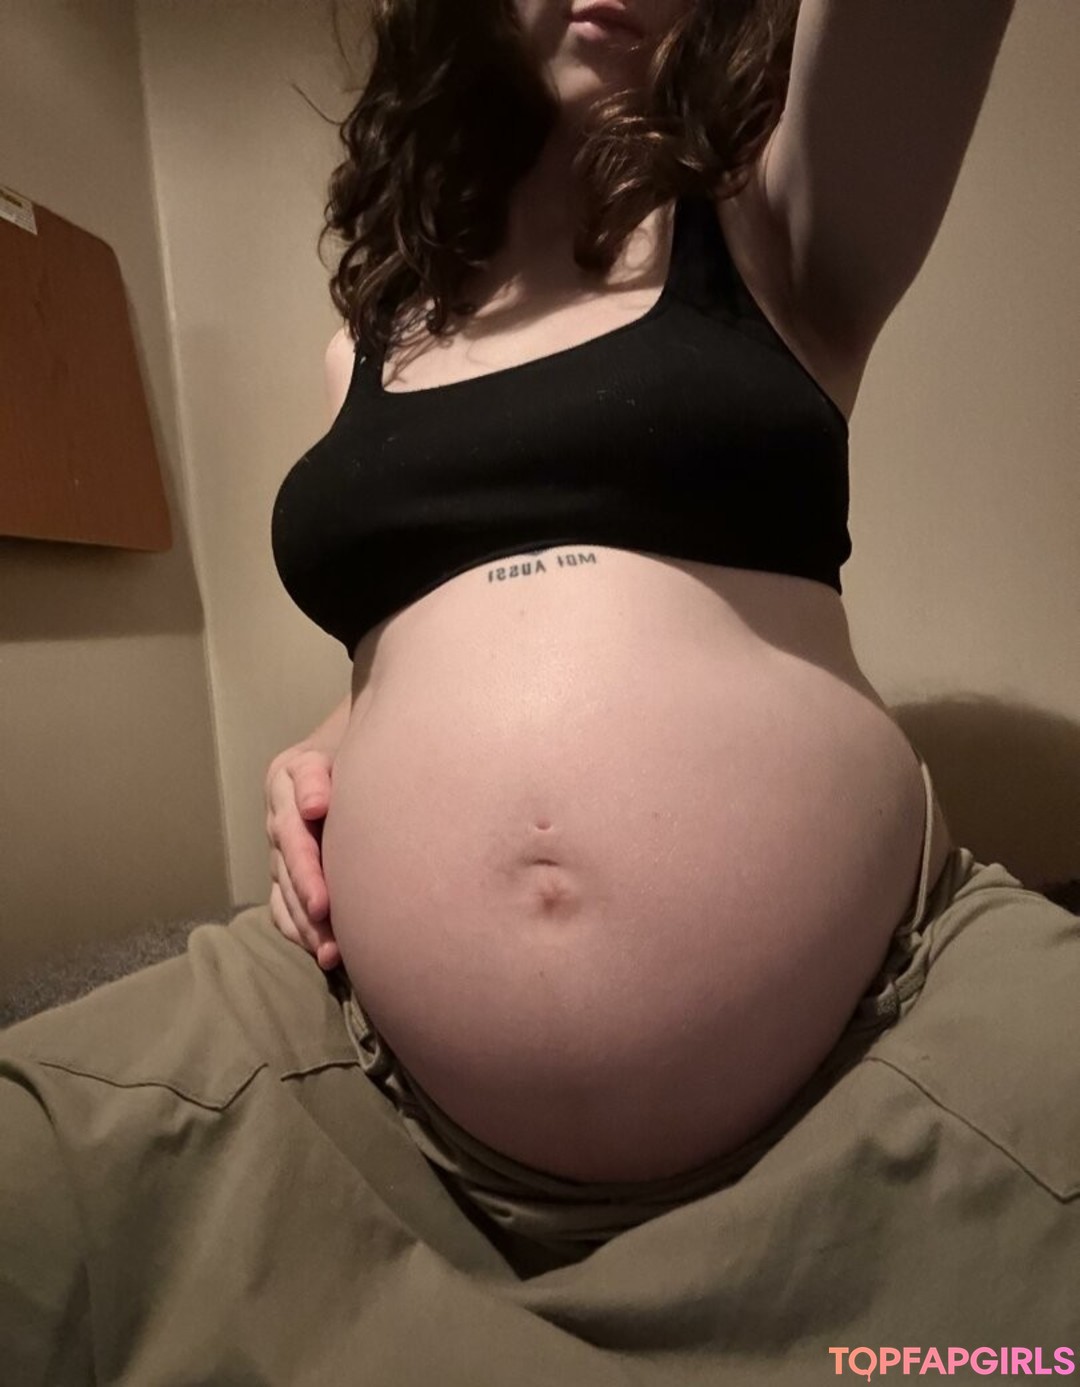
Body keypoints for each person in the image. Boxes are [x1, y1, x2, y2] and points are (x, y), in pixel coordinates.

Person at [3, 1, 1078, 1382]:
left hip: (874, 1069)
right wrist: (328, 742)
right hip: (369, 1111)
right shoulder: (366, 340)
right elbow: (412, 638)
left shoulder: (776, 227)